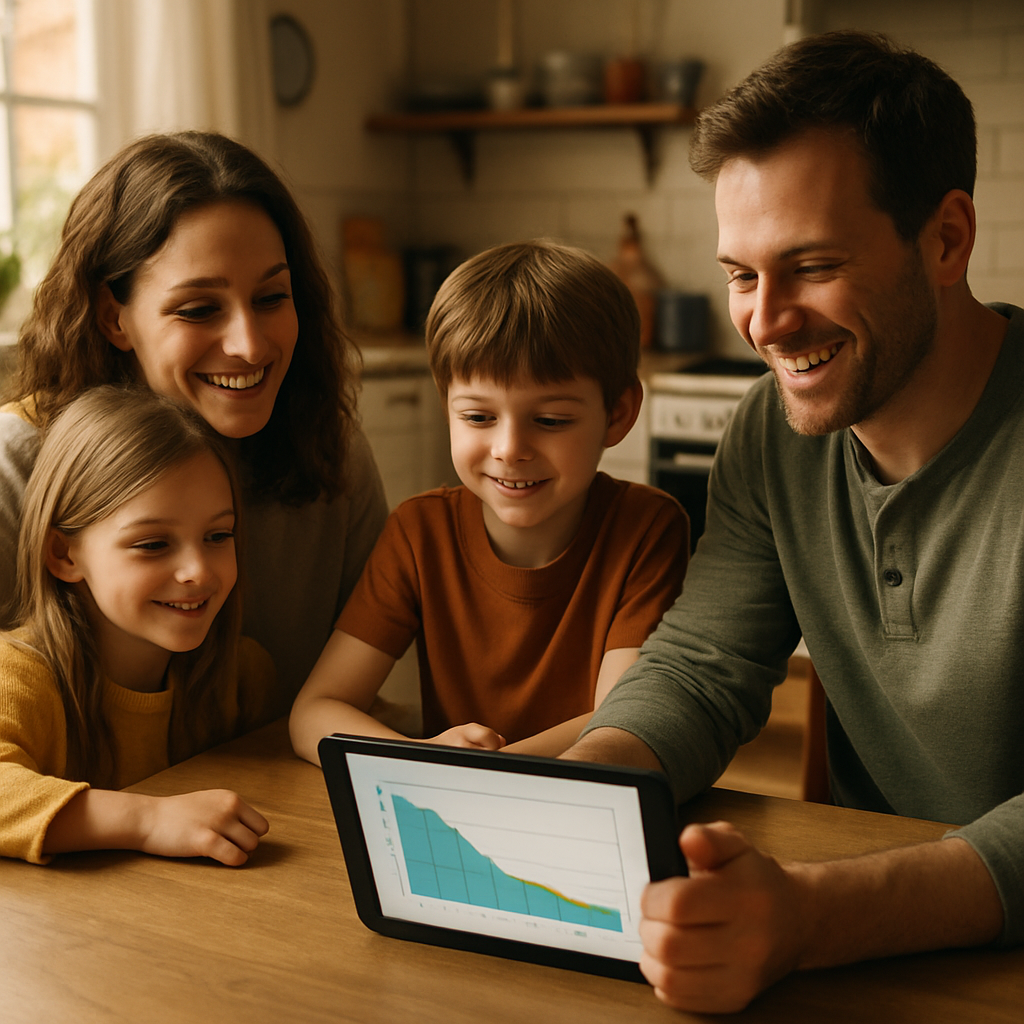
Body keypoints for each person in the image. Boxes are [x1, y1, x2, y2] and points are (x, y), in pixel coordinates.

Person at [564, 29, 1023, 1013]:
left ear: (945, 239)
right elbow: (699, 669)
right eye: (741, 273)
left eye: (808, 265)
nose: (764, 322)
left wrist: (815, 917)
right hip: (876, 957)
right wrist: (585, 788)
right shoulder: (770, 436)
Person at [0, 131, 388, 708]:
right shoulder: (16, 469)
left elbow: (356, 699)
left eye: (272, 298)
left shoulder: (330, 449)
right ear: (114, 317)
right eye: (200, 309)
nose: (251, 346)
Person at [289, 240, 689, 763]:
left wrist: (486, 771)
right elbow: (315, 711)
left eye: (549, 421)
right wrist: (426, 761)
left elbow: (622, 718)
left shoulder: (647, 529)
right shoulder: (419, 532)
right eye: (478, 417)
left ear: (617, 415)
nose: (509, 450)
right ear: (447, 408)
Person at [0, 385, 275, 865]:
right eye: (152, 544)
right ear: (64, 554)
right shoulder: (19, 676)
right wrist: (149, 821)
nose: (198, 572)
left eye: (218, 535)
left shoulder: (243, 675)